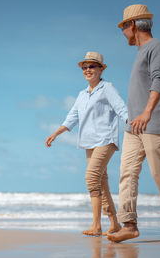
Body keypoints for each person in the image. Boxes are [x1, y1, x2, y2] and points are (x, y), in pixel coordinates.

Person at [107, 4, 160, 243]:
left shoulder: (155, 47)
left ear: (132, 25)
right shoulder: (140, 52)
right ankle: (129, 224)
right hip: (134, 127)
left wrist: (147, 112)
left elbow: (159, 79)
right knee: (127, 173)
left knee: (159, 173)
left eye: (123, 27)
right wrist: (134, 118)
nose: (122, 32)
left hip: (153, 123)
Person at [45, 52, 128, 236]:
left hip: (106, 140)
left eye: (92, 66)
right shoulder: (82, 94)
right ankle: (114, 223)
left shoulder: (107, 88)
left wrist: (133, 123)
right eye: (85, 67)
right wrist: (55, 134)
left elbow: (121, 108)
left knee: (91, 178)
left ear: (100, 69)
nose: (88, 70)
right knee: (101, 182)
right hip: (89, 142)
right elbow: (72, 117)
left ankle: (96, 226)